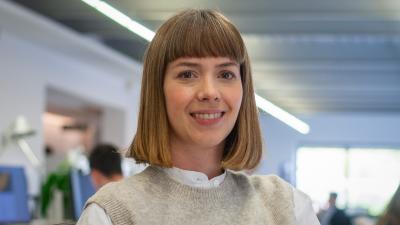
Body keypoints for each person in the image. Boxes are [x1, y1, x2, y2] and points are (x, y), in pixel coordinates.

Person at [77, 9, 320, 225]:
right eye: (187, 74)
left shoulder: (287, 205)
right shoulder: (111, 212)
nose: (210, 92)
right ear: (157, 89)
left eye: (225, 74)